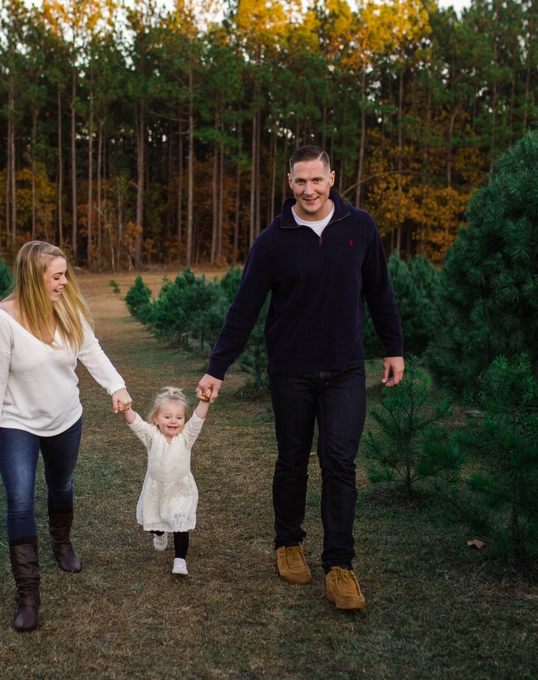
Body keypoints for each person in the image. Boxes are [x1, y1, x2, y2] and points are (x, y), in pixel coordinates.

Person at [197, 145, 405, 611]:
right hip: (290, 370)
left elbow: (379, 291)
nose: (308, 189)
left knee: (339, 463)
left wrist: (394, 348)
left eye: (316, 180)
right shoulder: (273, 241)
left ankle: (340, 567)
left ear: (333, 178)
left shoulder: (361, 228)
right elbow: (244, 308)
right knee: (292, 460)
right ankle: (288, 543)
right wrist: (217, 367)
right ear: (288, 183)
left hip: (346, 368)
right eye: (299, 181)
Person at [0, 240, 132, 632]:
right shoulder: (0, 320)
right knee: (20, 499)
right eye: (56, 276)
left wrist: (116, 386)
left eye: (65, 274)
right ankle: (28, 594)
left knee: (61, 484)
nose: (64, 282)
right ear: (33, 278)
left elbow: (91, 351)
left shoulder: (67, 308)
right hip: (16, 424)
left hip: (65, 417)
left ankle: (62, 544)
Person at [123, 387, 209, 576]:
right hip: (156, 488)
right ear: (156, 419)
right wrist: (126, 410)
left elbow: (197, 421)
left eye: (179, 418)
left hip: (180, 489)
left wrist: (205, 401)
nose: (173, 421)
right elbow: (137, 424)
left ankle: (180, 560)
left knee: (180, 525)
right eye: (168, 416)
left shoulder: (186, 438)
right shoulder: (152, 436)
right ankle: (159, 533)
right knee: (153, 521)